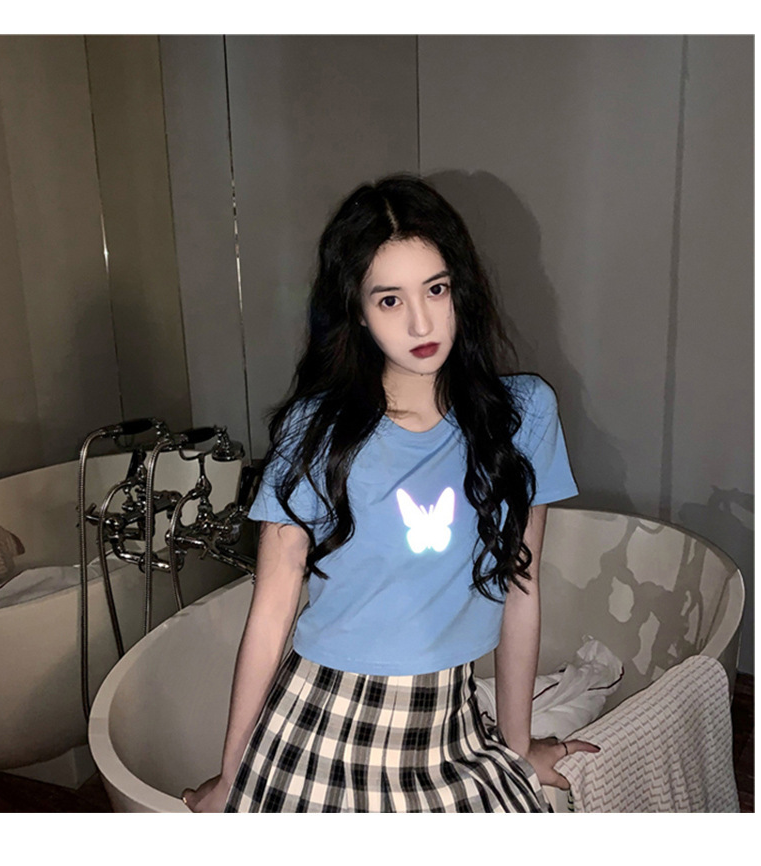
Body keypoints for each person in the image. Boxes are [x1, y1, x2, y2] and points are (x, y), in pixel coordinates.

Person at [182, 174, 597, 813]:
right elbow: (271, 610)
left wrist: (517, 751)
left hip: (450, 724)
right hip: (320, 722)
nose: (421, 321)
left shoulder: (524, 414)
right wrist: (231, 777)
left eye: (436, 289)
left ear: (461, 289)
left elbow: (522, 586)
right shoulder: (315, 430)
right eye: (389, 300)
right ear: (356, 310)